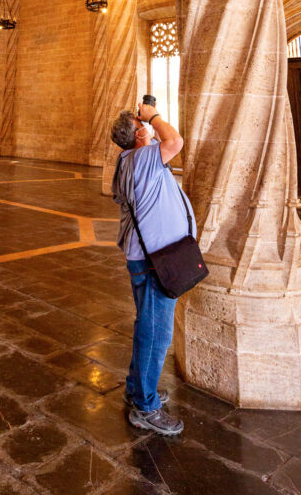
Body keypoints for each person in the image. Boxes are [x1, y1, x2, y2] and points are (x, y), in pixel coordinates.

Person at [110, 102, 196, 437]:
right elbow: (175, 142)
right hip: (154, 260)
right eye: (141, 124)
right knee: (157, 333)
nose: (146, 125)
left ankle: (136, 388)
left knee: (148, 323)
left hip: (148, 256)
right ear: (139, 134)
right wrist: (153, 117)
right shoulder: (142, 157)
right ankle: (145, 408)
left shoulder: (128, 160)